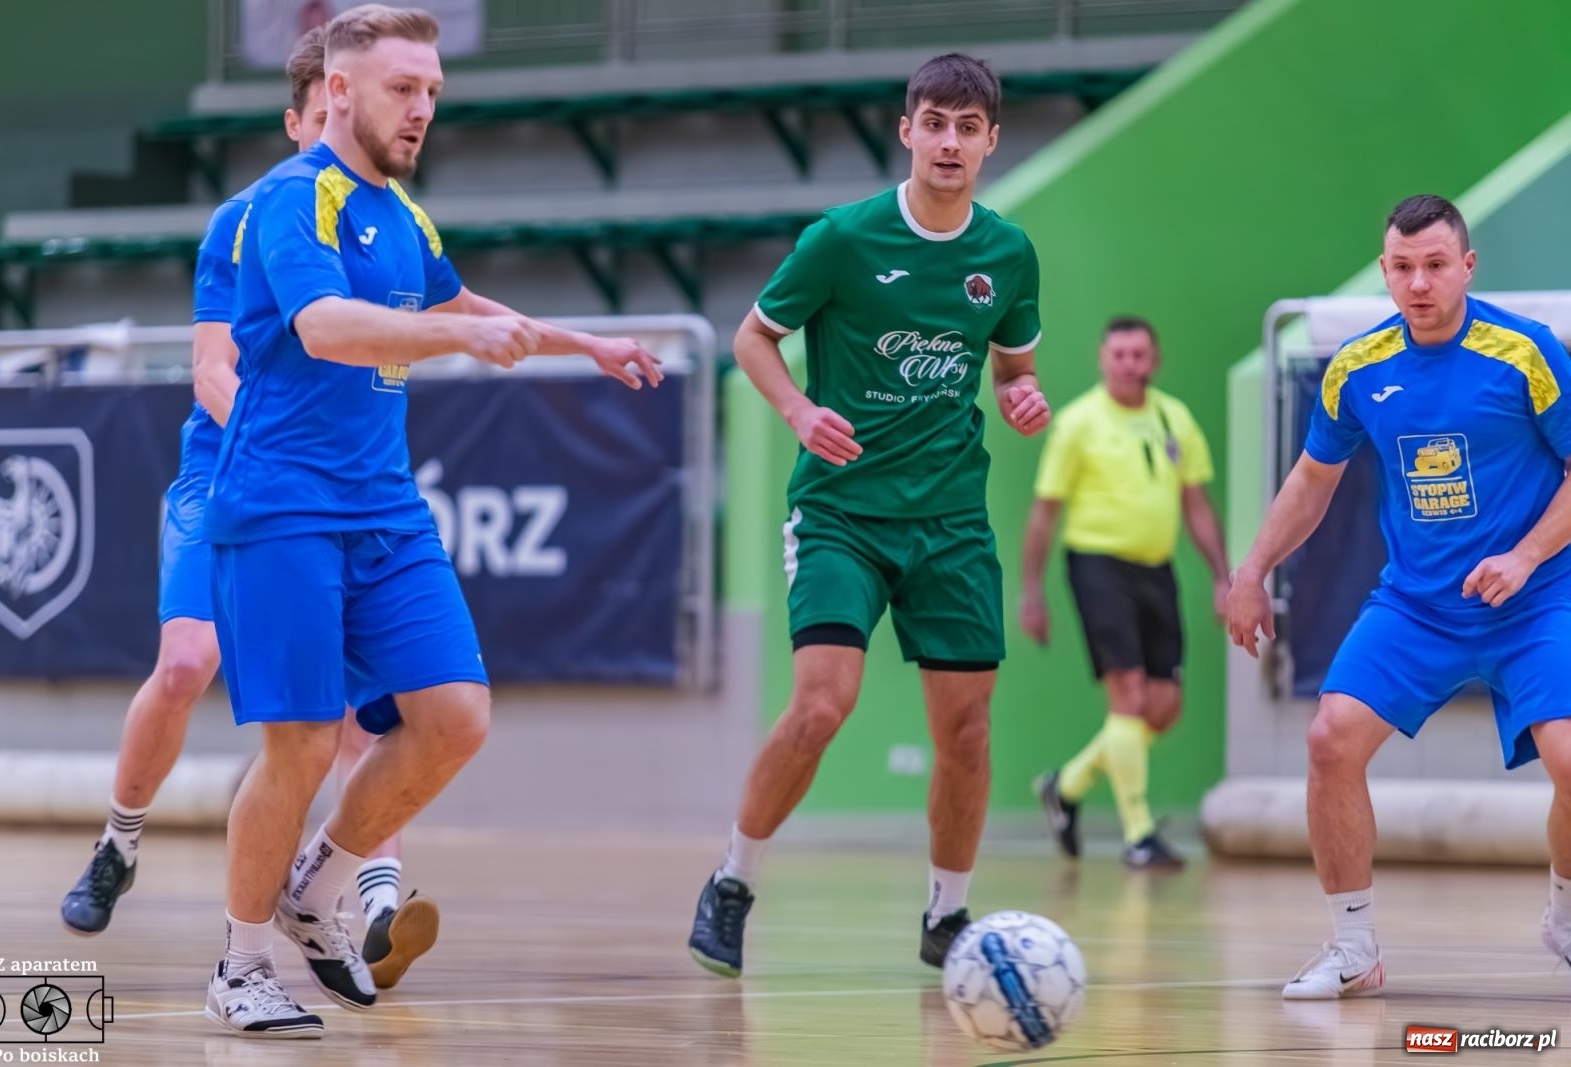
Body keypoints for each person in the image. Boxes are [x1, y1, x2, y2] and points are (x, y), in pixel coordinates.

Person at [203, 4, 661, 1038]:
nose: (422, 110)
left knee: (454, 715)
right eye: (404, 89)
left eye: (432, 93)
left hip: (384, 510)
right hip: (283, 507)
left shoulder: (403, 213)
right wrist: (455, 341)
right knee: (303, 742)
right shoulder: (291, 200)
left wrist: (579, 340)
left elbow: (464, 310)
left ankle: (314, 882)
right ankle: (238, 964)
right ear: (339, 91)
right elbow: (324, 329)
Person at [59, 27, 439, 993]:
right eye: (319, 119)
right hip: (230, 477)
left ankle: (376, 897)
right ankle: (120, 838)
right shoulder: (249, 219)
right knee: (187, 660)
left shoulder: (392, 215)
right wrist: (275, 447)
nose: (333, 136)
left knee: (366, 700)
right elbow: (213, 369)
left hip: (330, 493)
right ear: (307, 115)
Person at [686, 52, 1049, 980]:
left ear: (991, 142)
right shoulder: (843, 239)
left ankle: (946, 911)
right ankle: (733, 881)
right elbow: (753, 338)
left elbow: (1013, 367)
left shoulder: (1006, 254)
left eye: (968, 128)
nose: (950, 142)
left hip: (952, 524)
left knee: (967, 732)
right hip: (843, 512)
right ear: (908, 131)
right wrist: (802, 411)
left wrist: (1022, 396)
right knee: (823, 703)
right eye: (935, 123)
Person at [1228, 194, 1571, 999]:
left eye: (1436, 265)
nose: (1419, 282)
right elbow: (1312, 482)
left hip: (1535, 598)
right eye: (1403, 267)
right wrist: (1251, 571)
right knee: (1329, 739)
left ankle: (1564, 909)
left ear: (1468, 266)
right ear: (1385, 271)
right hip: (1417, 606)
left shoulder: (1527, 353)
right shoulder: (1357, 367)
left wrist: (1522, 558)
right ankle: (1354, 949)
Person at [1021, 315, 1228, 869]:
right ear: (1102, 359)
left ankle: (1066, 784)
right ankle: (1137, 835)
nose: (1130, 364)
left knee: (1162, 708)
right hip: (1096, 565)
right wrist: (1031, 591)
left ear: (1154, 360)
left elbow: (1197, 505)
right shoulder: (1078, 423)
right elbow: (1044, 513)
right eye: (1119, 355)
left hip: (1156, 570)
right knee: (1129, 694)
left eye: (1140, 355)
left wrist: (1222, 576)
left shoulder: (1173, 417)